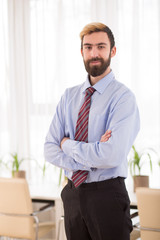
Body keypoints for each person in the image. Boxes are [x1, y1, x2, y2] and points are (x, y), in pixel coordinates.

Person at [44, 22, 140, 240]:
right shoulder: (68, 97)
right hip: (72, 195)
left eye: (101, 46)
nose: (94, 53)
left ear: (112, 51)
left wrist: (67, 144)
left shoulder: (123, 98)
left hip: (107, 196)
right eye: (88, 47)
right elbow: (49, 148)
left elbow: (112, 154)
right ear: (81, 52)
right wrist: (91, 155)